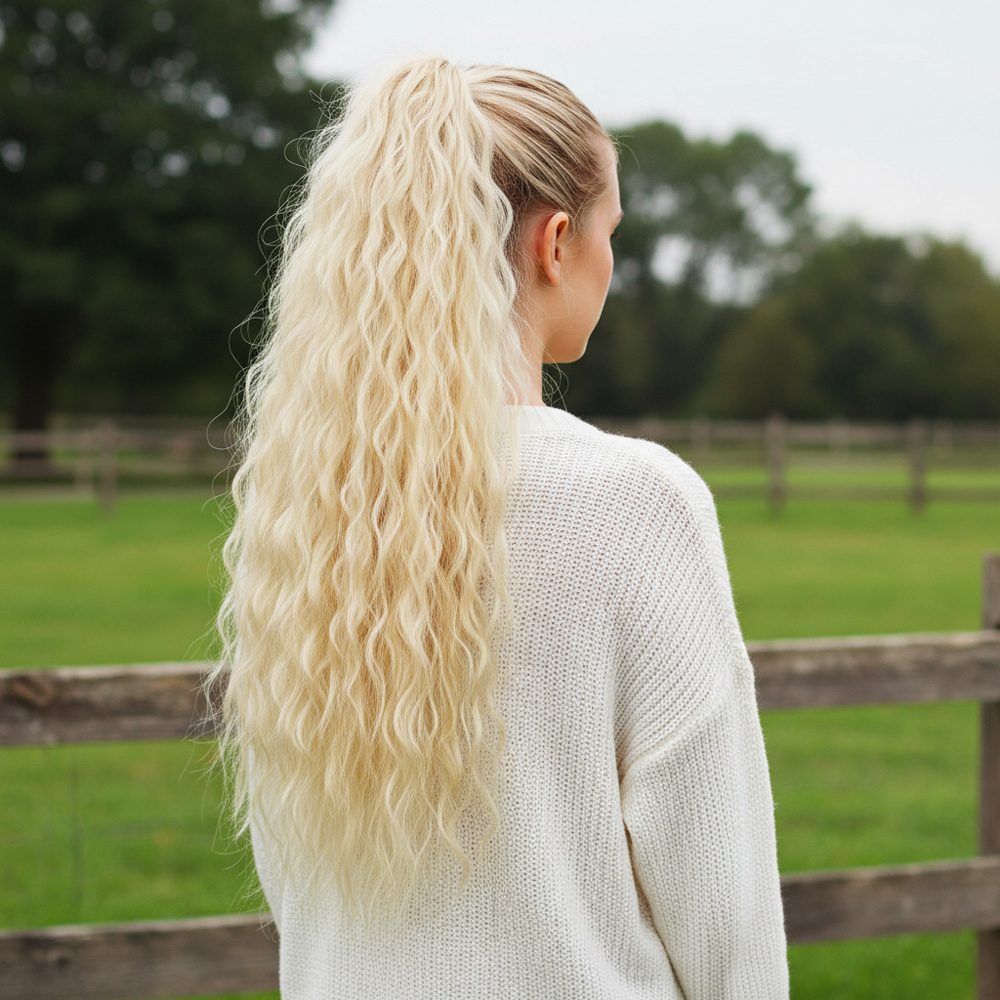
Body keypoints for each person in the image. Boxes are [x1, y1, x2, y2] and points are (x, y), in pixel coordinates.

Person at [206, 54, 789, 999]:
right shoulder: (635, 502)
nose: (611, 259)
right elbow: (723, 913)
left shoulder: (310, 517)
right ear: (555, 242)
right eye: (611, 231)